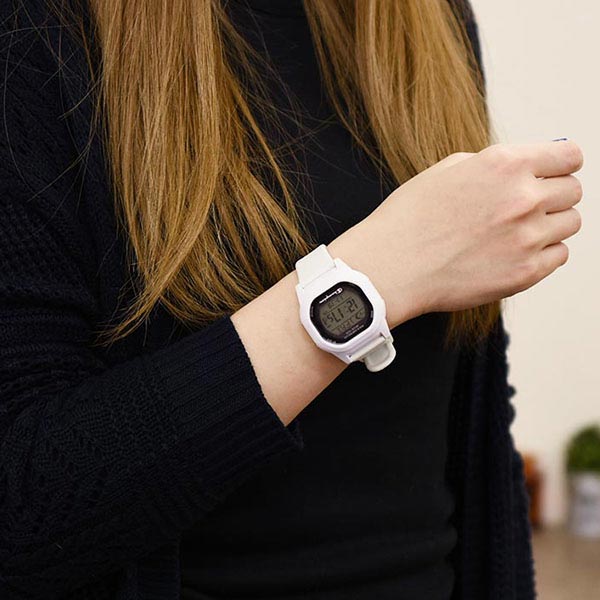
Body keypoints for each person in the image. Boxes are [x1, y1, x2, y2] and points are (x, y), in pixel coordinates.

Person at [0, 0, 583, 599]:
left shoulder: (431, 17)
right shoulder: (40, 27)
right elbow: (22, 507)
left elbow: (471, 421)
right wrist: (378, 277)